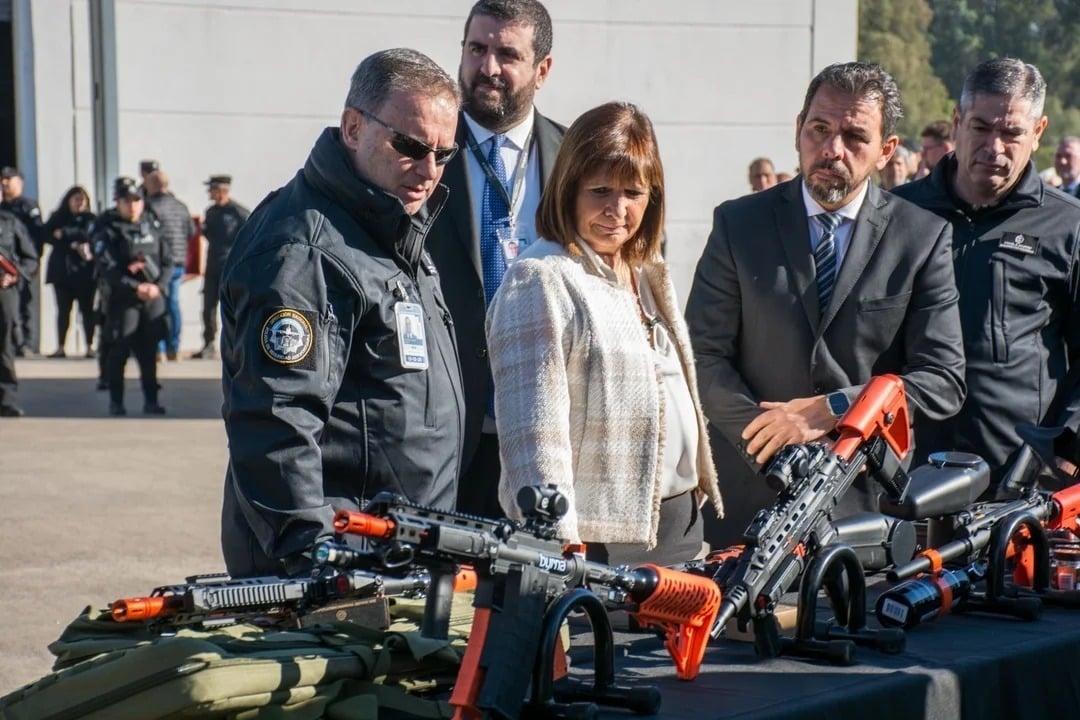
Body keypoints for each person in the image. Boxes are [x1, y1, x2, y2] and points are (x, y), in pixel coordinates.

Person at [685, 62, 966, 548]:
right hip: (749, 504)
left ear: (886, 152)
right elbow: (701, 356)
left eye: (855, 136)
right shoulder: (738, 224)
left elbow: (941, 379)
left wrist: (833, 409)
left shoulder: (921, 238)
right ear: (798, 130)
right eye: (820, 129)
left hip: (865, 513)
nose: (833, 149)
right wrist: (771, 439)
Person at [219, 48, 465, 578]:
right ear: (353, 127)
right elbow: (276, 421)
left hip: (398, 553)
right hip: (341, 568)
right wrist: (313, 558)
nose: (429, 171)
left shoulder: (390, 227)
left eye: (444, 154)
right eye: (411, 146)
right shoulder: (305, 249)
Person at [488, 101, 723, 566]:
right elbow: (534, 443)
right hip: (599, 552)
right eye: (600, 190)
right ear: (567, 189)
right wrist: (560, 554)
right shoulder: (541, 278)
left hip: (683, 534)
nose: (618, 210)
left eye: (633, 192)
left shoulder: (647, 271)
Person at [893, 58, 1080, 489]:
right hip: (903, 475)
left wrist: (1067, 451)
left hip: (1018, 480)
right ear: (957, 123)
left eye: (1011, 132)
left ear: (1038, 133)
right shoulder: (899, 214)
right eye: (980, 127)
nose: (994, 147)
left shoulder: (1068, 227)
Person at [426, 0, 563, 519]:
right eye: (476, 49)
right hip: (445, 431)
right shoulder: (421, 152)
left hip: (544, 432)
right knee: (449, 597)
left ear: (542, 70)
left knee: (531, 595)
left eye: (507, 54)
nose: (487, 69)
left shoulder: (575, 158)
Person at [92, 177, 171, 416]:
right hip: (124, 301)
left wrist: (158, 287)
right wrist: (134, 287)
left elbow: (168, 261)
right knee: (119, 352)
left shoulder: (152, 224)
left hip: (152, 299)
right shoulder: (108, 229)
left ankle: (152, 401)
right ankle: (117, 402)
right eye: (127, 201)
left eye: (137, 200)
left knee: (149, 353)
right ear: (118, 202)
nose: (133, 206)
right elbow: (108, 268)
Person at [192, 175, 249, 359]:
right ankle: (208, 343)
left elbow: (249, 238)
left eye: (212, 189)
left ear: (221, 190)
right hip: (212, 266)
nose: (209, 193)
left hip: (231, 267)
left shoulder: (239, 213)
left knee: (232, 307)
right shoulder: (211, 212)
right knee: (208, 306)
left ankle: (234, 344)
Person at [144, 170, 196, 360]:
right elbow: (191, 231)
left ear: (155, 186)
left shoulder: (150, 207)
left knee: (157, 305)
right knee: (173, 304)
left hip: (158, 264)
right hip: (179, 262)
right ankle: (173, 346)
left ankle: (158, 348)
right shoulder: (181, 206)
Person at [43, 186, 97, 358]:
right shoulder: (58, 217)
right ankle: (60, 346)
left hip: (85, 272)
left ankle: (89, 345)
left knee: (87, 311)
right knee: (63, 311)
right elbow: (46, 234)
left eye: (82, 201)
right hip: (62, 271)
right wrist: (70, 242)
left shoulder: (91, 219)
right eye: (76, 200)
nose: (79, 204)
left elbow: (89, 234)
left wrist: (65, 233)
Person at [0, 166, 44, 357]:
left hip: (23, 263)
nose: (5, 183)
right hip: (6, 266)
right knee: (11, 310)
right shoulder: (4, 210)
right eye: (3, 180)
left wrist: (29, 266)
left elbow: (37, 235)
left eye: (9, 179)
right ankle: (15, 343)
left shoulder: (27, 206)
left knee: (28, 304)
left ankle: (28, 344)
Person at [0, 200, 37, 417]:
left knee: (4, 345)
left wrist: (13, 275)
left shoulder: (10, 222)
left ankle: (6, 399)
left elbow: (30, 259)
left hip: (4, 293)